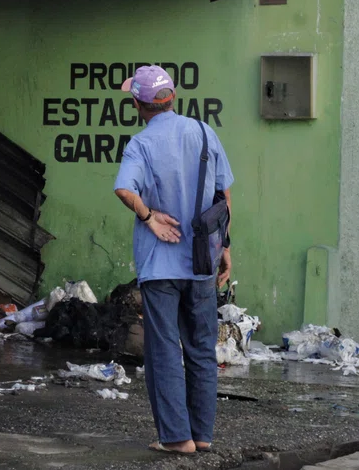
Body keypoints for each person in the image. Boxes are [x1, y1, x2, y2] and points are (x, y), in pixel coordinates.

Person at [112, 65, 233, 456]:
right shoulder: (204, 133)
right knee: (201, 348)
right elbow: (224, 199)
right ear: (173, 98)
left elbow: (123, 189)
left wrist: (149, 217)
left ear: (138, 104)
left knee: (164, 349)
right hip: (203, 260)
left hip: (160, 265)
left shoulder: (140, 145)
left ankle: (177, 439)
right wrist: (225, 248)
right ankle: (203, 435)